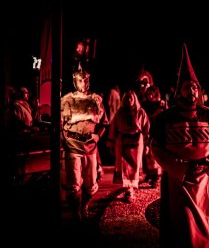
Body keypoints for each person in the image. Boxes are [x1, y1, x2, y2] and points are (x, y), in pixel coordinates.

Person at [150, 44, 209, 248]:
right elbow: (156, 147)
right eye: (187, 87)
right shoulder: (165, 119)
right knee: (182, 226)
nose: (192, 90)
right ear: (180, 91)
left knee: (205, 223)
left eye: (194, 86)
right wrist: (180, 169)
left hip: (204, 179)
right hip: (179, 182)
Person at [60, 62, 109, 224]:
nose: (84, 83)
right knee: (74, 185)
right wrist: (63, 140)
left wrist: (98, 136)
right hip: (73, 145)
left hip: (90, 145)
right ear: (75, 81)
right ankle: (76, 215)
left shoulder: (96, 100)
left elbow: (104, 123)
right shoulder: (66, 100)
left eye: (86, 80)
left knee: (90, 185)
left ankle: (83, 206)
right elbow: (60, 124)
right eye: (80, 80)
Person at [107, 90, 150, 202]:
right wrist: (110, 143)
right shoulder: (119, 113)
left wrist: (147, 144)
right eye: (127, 98)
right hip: (122, 142)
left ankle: (131, 188)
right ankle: (128, 189)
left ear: (134, 99)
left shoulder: (141, 112)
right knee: (124, 166)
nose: (129, 100)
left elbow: (146, 128)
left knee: (135, 166)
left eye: (131, 98)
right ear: (124, 100)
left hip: (137, 142)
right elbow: (113, 128)